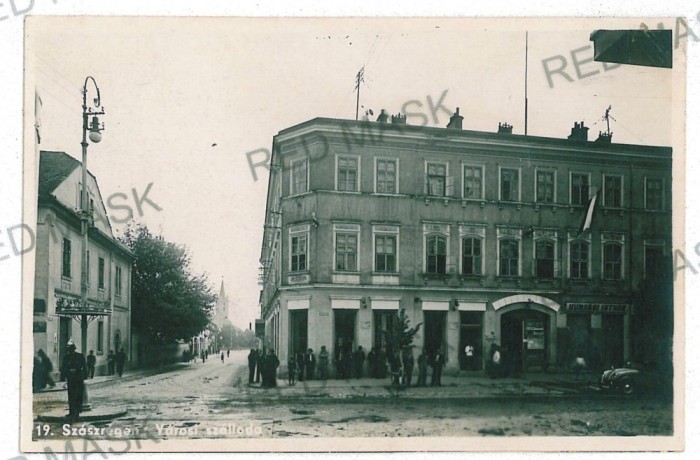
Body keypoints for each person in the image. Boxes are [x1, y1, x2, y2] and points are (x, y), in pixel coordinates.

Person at [61, 340, 86, 423]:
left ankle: (77, 413)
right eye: (69, 349)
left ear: (74, 348)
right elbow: (64, 368)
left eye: (71, 348)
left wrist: (84, 376)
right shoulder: (66, 357)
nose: (70, 350)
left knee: (78, 396)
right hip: (70, 379)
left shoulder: (80, 356)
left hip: (78, 379)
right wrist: (64, 377)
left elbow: (84, 367)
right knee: (71, 396)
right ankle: (71, 412)